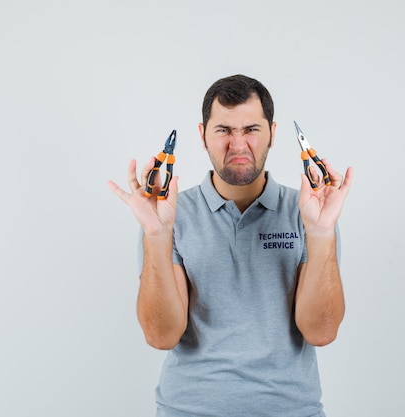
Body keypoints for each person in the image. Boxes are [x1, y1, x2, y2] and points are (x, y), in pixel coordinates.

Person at [107, 74, 353, 417]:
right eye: (224, 130)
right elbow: (161, 335)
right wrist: (157, 235)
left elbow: (321, 331)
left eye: (251, 129)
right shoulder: (168, 215)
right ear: (202, 135)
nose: (238, 145)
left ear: (273, 134)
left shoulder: (310, 212)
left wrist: (322, 231)